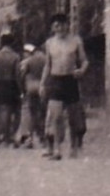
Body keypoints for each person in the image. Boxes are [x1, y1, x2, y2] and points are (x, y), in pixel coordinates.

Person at [41, 13, 88, 160]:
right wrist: (43, 83)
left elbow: (85, 61)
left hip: (71, 80)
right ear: (52, 28)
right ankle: (56, 149)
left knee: (74, 117)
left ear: (68, 25)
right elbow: (47, 65)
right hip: (55, 81)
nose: (60, 28)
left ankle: (73, 146)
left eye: (63, 25)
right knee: (56, 116)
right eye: (57, 25)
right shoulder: (49, 43)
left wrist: (81, 70)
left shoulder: (76, 41)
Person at [0, 33, 22, 146]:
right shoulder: (15, 56)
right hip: (12, 83)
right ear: (12, 43)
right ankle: (9, 136)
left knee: (2, 111)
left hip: (0, 83)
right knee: (13, 111)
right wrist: (20, 89)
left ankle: (2, 137)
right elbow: (17, 74)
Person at [19, 42, 46, 148]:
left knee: (31, 113)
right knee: (43, 112)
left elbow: (22, 75)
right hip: (43, 87)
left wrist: (22, 89)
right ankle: (43, 136)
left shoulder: (28, 61)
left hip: (30, 86)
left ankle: (30, 138)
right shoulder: (45, 59)